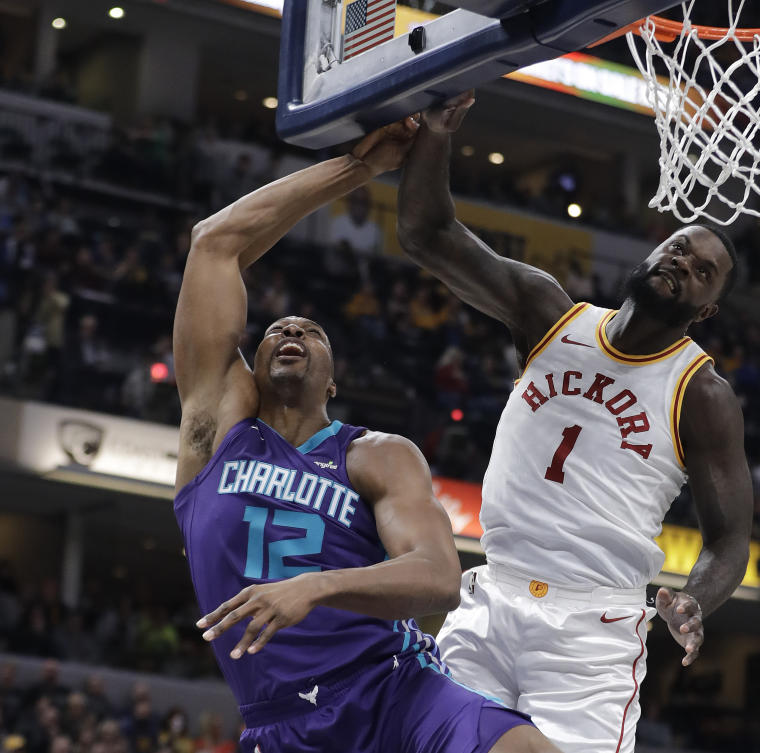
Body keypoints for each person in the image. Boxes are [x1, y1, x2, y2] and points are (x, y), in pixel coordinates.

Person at [172, 119, 561, 753]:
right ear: (251, 366)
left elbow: (438, 577)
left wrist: (317, 586)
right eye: (276, 329)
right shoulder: (214, 432)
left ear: (333, 382)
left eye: (311, 332)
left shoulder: (376, 454)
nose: (291, 331)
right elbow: (214, 243)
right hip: (281, 722)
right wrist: (358, 168)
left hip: (396, 691)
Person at [395, 93, 754, 753]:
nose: (685, 264)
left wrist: (695, 599)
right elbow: (427, 234)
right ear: (652, 252)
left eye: (705, 271)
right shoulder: (547, 313)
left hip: (590, 630)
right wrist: (437, 136)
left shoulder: (701, 393)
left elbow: (731, 538)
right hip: (491, 599)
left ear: (706, 310)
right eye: (679, 249)